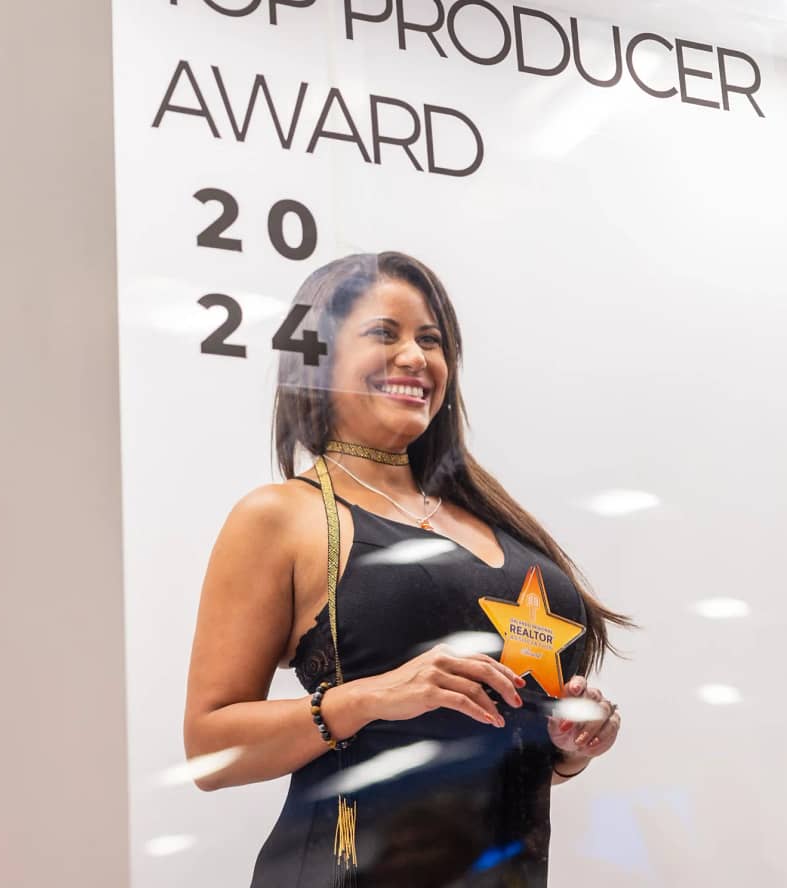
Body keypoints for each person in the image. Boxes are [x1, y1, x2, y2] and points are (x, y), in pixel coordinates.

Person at [183, 251, 635, 887]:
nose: (415, 358)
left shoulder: (493, 518)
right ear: (317, 355)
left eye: (431, 340)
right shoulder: (283, 516)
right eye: (383, 334)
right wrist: (369, 698)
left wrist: (566, 749)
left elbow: (492, 739)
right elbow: (209, 751)